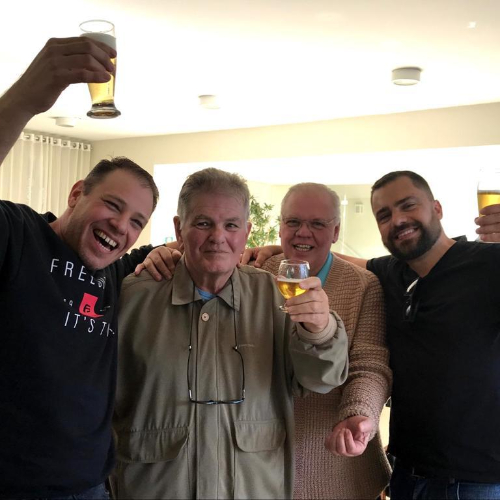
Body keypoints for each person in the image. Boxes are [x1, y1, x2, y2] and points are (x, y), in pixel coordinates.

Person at [249, 171, 500, 500]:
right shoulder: (389, 273)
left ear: (437, 208)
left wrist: (359, 411)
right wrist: (281, 249)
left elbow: (370, 363)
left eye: (408, 205)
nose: (398, 220)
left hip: (476, 477)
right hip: (408, 470)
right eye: (384, 215)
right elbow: (330, 259)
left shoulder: (490, 264)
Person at [110, 168, 349, 499]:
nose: (217, 236)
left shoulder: (276, 296)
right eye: (203, 223)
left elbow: (321, 379)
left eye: (231, 225)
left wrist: (320, 330)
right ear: (179, 229)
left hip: (254, 488)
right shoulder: (134, 297)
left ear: (246, 232)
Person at [0, 38, 160, 499]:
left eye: (137, 222)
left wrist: (270, 250)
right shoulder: (19, 235)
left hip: (91, 486)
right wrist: (23, 100)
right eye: (113, 205)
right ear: (76, 194)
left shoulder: (116, 271)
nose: (122, 226)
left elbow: (202, 246)